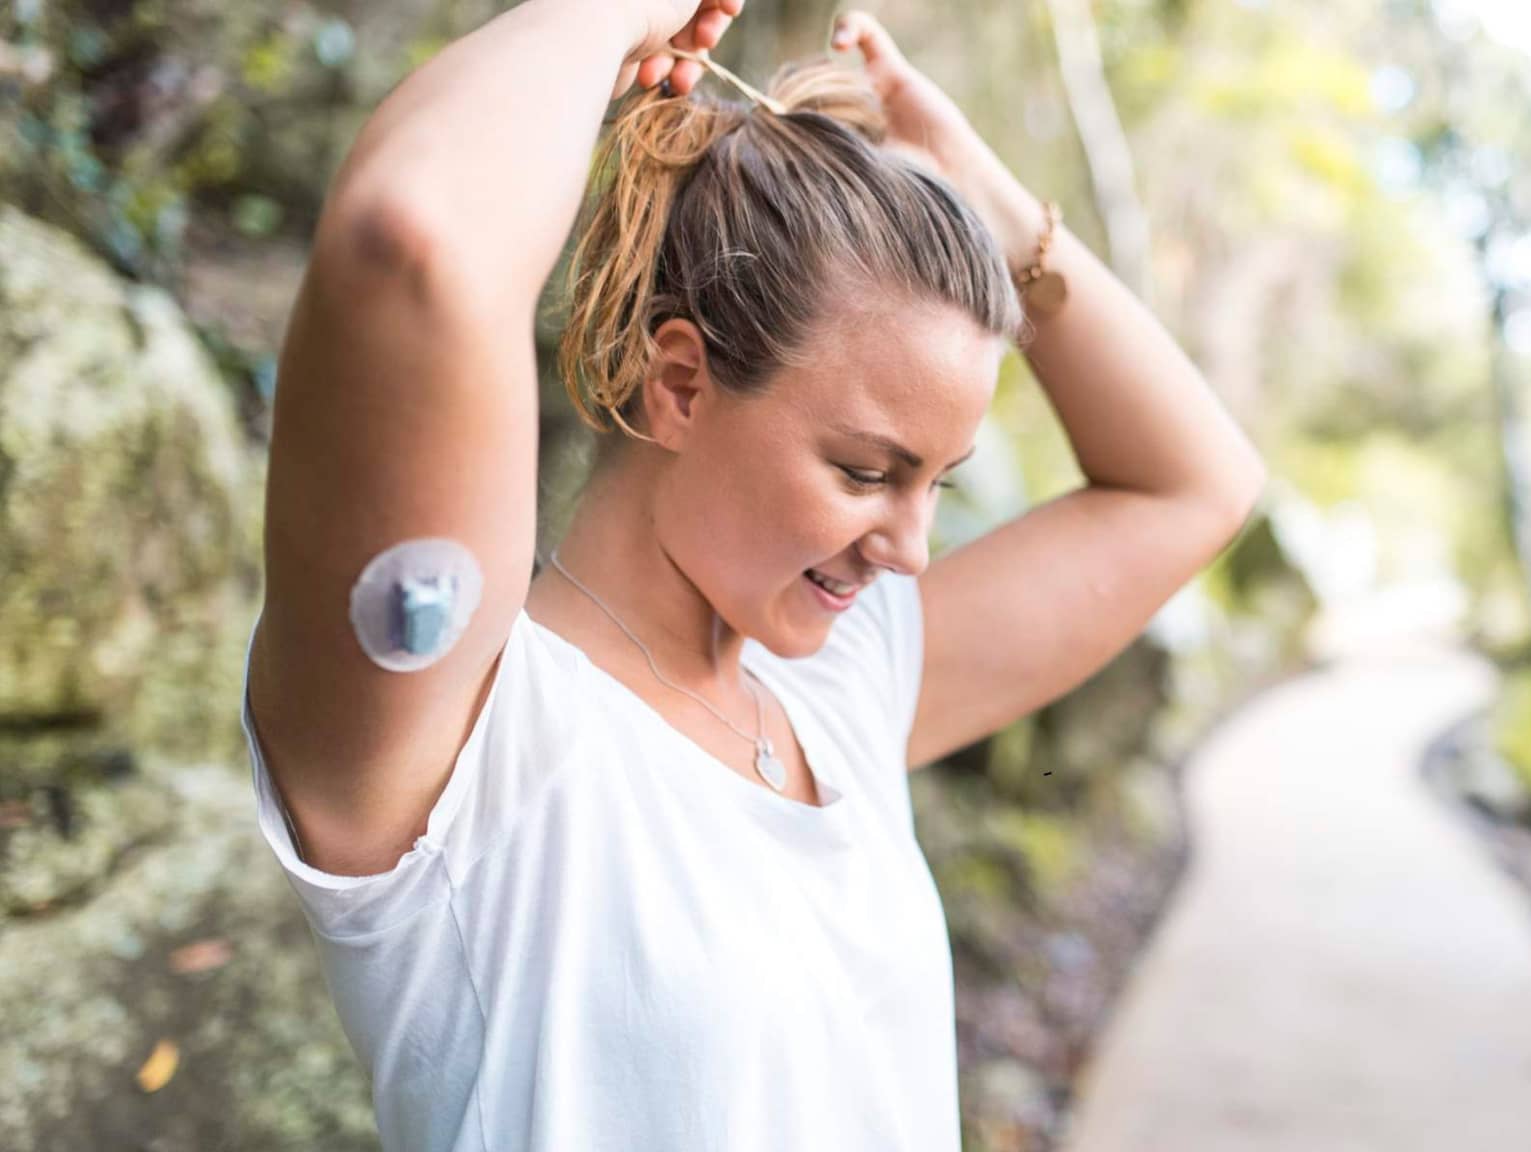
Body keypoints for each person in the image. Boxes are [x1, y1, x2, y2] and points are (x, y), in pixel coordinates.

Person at [237, 0, 1265, 1147]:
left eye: (935, 482)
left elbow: (1196, 485)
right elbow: (413, 239)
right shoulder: (459, 743)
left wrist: (978, 190)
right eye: (867, 470)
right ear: (679, 384)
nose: (911, 550)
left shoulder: (840, 696)